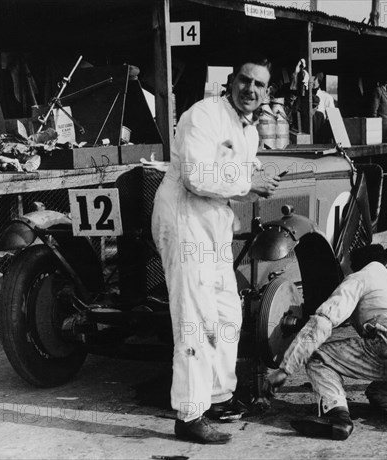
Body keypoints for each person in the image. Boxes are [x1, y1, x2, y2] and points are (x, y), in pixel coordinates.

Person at [151, 55, 282, 445]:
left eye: (259, 85)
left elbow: (242, 169)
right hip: (184, 221)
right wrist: (249, 180)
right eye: (245, 81)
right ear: (231, 82)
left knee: (227, 314)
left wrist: (259, 175)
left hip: (214, 226)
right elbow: (195, 175)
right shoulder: (203, 115)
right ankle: (189, 415)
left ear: (266, 92)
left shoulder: (249, 130)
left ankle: (218, 397)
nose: (251, 90)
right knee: (195, 318)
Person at [263, 244, 387, 440]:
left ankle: (336, 416)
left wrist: (285, 368)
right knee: (378, 393)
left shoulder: (359, 278)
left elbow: (323, 322)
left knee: (318, 357)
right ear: (384, 263)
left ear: (354, 266)